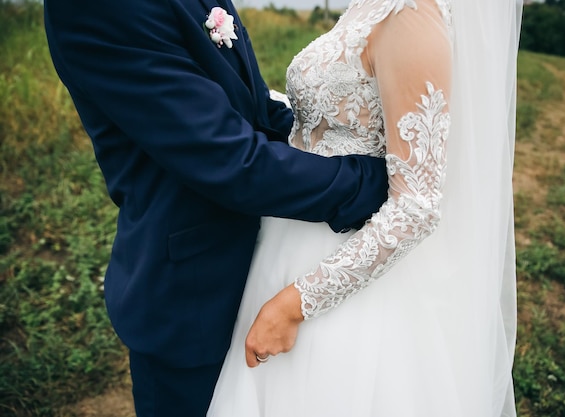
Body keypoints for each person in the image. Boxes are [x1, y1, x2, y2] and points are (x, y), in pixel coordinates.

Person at [43, 0, 391, 415]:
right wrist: (379, 182)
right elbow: (229, 158)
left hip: (267, 268)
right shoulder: (96, 9)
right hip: (193, 298)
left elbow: (255, 109)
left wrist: (339, 140)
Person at [207, 0, 522, 416]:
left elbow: (417, 207)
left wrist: (296, 303)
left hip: (341, 269)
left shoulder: (411, 13)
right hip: (288, 242)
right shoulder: (371, 5)